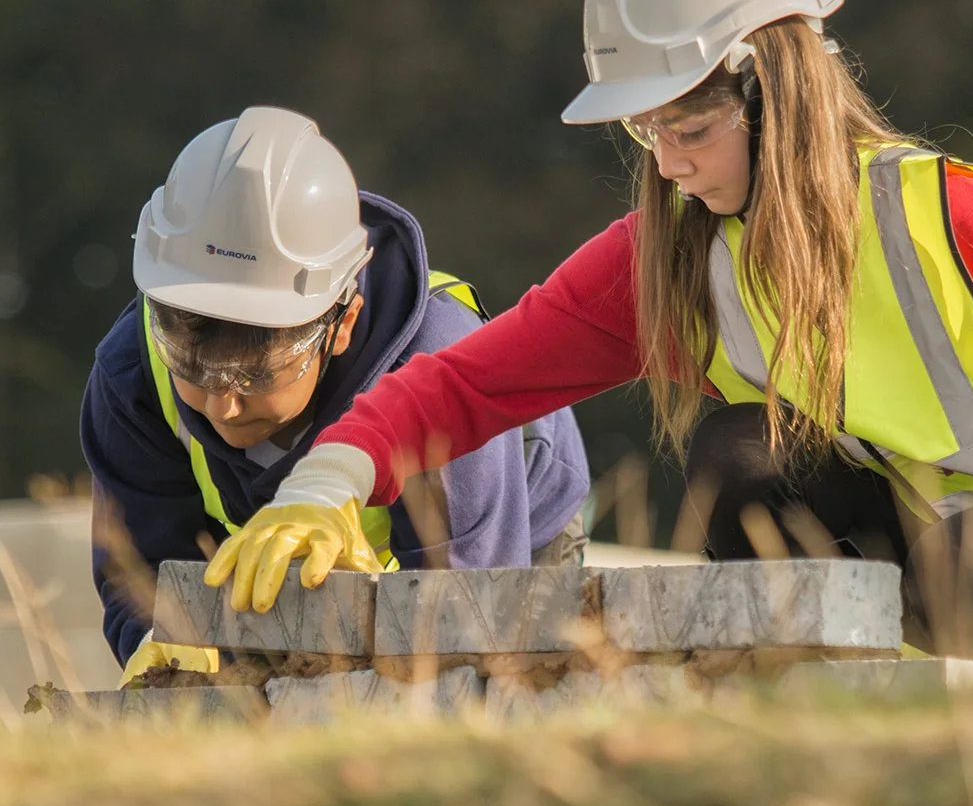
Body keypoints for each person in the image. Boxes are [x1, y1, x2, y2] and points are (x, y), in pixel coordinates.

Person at [203, 0, 973, 678]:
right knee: (736, 459)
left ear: (779, 88)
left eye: (690, 128)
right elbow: (462, 388)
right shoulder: (665, 253)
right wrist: (321, 490)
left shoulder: (954, 216)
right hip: (913, 561)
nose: (664, 163)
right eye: (643, 130)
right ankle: (814, 717)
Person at [83, 106, 593, 683]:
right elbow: (137, 570)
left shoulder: (438, 364)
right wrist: (163, 642)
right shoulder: (132, 371)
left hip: (509, 529)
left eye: (255, 375)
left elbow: (470, 617)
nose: (222, 406)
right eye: (192, 369)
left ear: (342, 321)